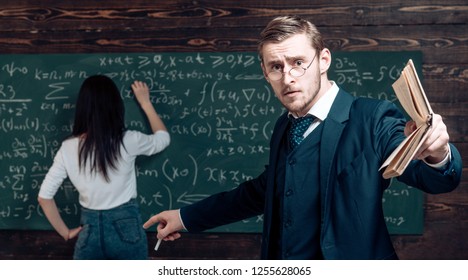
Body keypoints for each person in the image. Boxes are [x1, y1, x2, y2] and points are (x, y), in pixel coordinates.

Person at [143, 16, 462, 259]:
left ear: (323, 60)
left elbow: (437, 179)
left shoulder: (371, 118)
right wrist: (184, 217)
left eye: (298, 63)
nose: (288, 77)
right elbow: (260, 193)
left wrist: (437, 153)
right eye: (276, 67)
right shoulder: (285, 126)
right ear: (265, 73)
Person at [38, 75, 170, 260]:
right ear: (116, 106)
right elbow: (163, 139)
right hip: (126, 227)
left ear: (82, 108)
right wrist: (145, 103)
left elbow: (44, 197)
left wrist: (65, 232)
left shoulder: (68, 148)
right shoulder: (128, 140)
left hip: (89, 230)